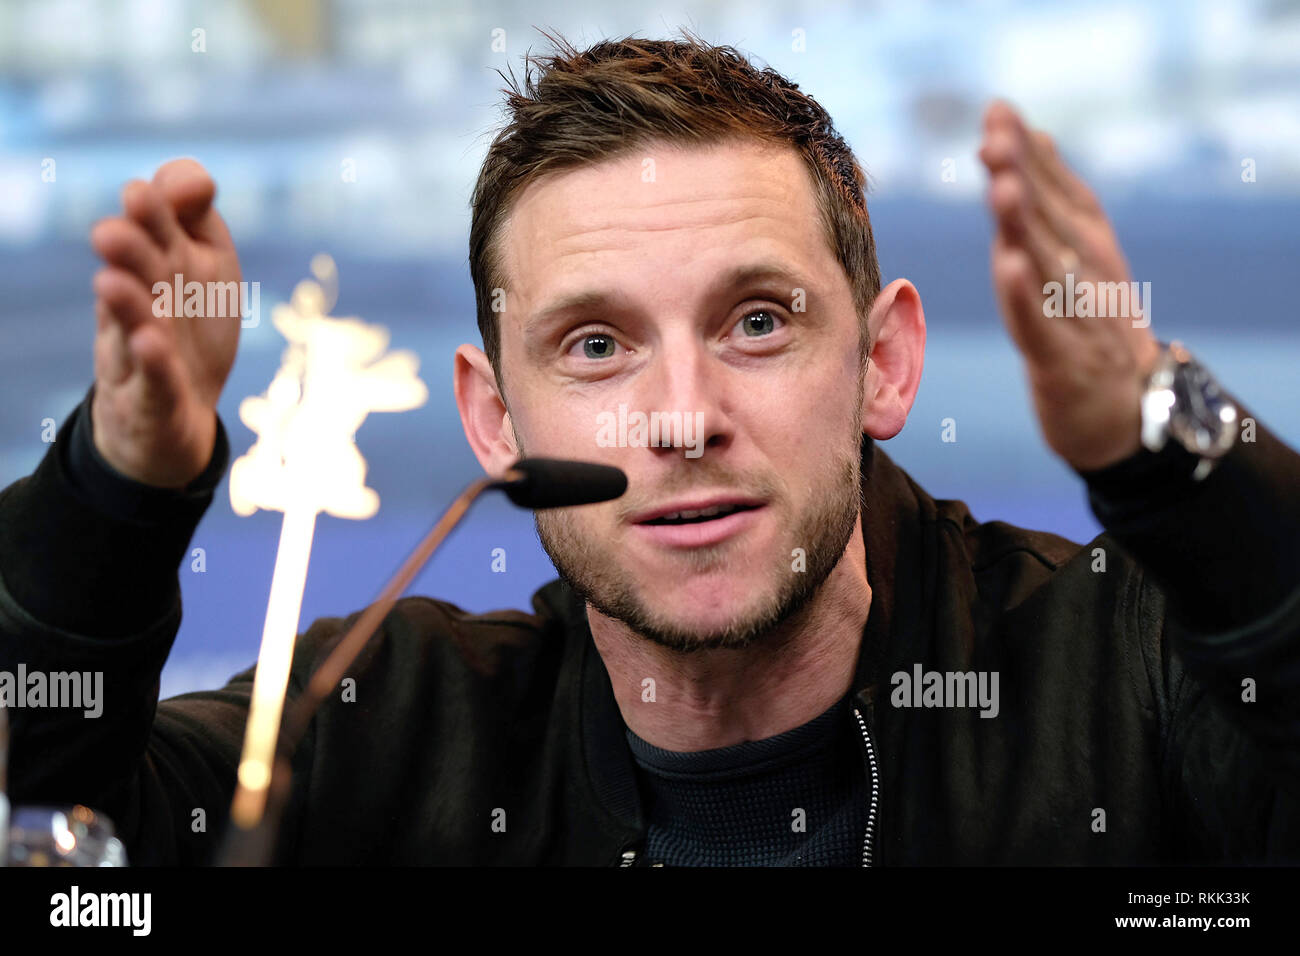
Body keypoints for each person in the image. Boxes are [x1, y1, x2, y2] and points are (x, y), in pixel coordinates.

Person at [2, 34, 1297, 866]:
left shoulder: (1124, 671)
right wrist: (115, 489)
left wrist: (1168, 448)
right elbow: (68, 860)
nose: (683, 415)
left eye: (755, 321)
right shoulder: (379, 731)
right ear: (496, 419)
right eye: (596, 347)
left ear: (885, 364)